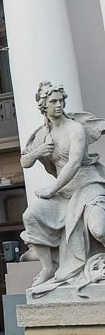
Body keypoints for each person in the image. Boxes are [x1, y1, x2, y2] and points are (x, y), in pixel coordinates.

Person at [20, 81, 105, 295]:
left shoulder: (76, 129)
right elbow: (25, 162)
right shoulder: (43, 134)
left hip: (88, 185)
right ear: (44, 106)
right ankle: (49, 268)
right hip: (64, 195)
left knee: (99, 229)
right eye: (53, 101)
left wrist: (51, 189)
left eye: (61, 100)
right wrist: (38, 152)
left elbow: (74, 163)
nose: (59, 105)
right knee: (31, 216)